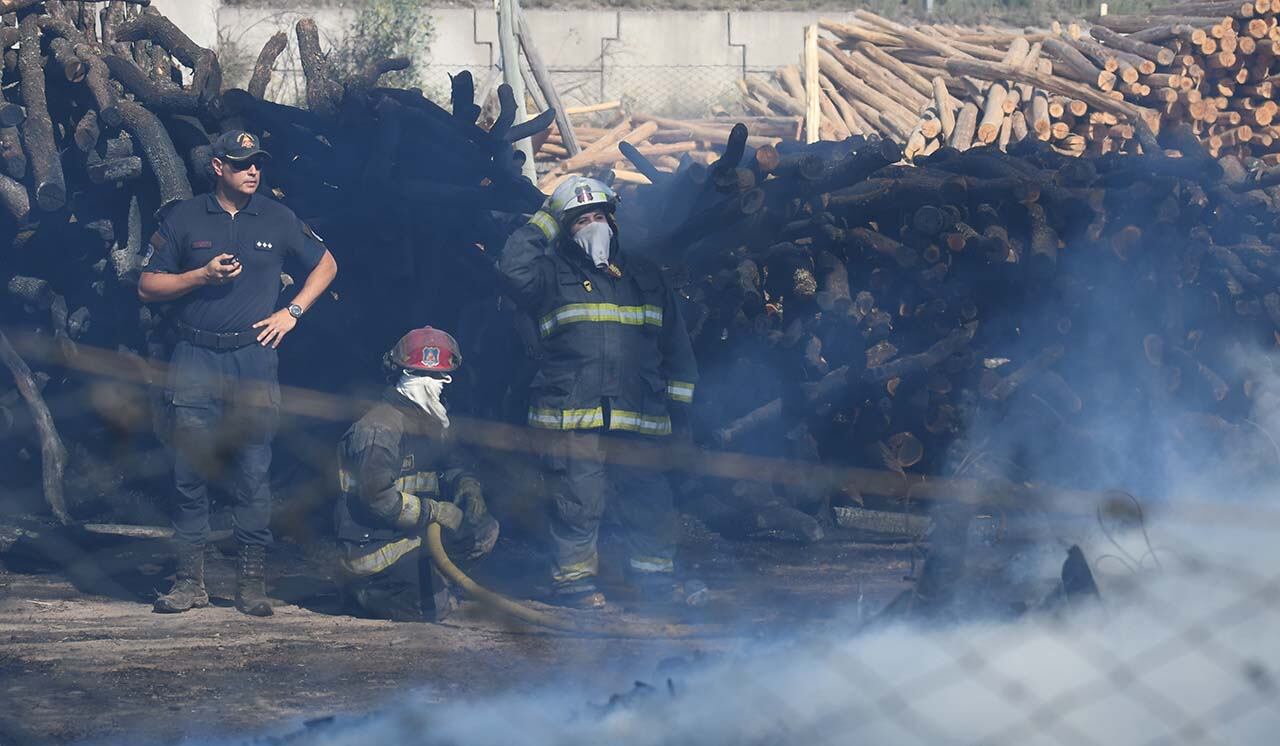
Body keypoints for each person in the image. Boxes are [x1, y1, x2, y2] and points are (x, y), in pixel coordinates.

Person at [138, 130, 338, 616]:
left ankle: (251, 585)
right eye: (242, 163)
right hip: (195, 357)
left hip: (252, 359)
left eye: (257, 164)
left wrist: (291, 312)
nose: (253, 171)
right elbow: (146, 285)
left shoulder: (277, 216)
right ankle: (189, 582)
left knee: (252, 472)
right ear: (217, 168)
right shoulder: (184, 218)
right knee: (189, 471)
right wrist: (199, 277)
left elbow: (327, 263)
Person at [498, 176, 698, 609]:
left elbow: (677, 347)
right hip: (573, 413)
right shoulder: (549, 275)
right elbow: (512, 270)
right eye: (579, 221)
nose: (592, 226)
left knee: (648, 499)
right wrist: (546, 219)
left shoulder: (645, 277)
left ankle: (654, 583)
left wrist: (680, 414)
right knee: (577, 502)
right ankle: (574, 585)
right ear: (565, 231)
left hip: (639, 415)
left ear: (613, 221)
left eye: (597, 217)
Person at [335, 327, 500, 622]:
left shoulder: (433, 420)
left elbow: (451, 464)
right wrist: (435, 511)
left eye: (445, 378)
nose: (441, 385)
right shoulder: (380, 428)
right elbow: (377, 499)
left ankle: (432, 582)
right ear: (409, 379)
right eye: (435, 378)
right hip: (374, 547)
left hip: (413, 535)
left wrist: (467, 485)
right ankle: (364, 592)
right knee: (434, 609)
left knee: (483, 529)